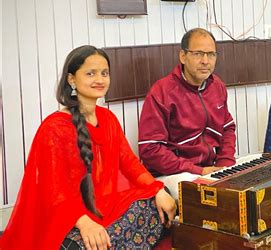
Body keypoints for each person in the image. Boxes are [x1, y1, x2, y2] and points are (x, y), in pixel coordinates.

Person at [0, 45, 176, 249]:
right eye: (90, 73)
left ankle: (108, 241)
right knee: (78, 244)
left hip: (105, 206)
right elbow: (54, 191)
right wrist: (83, 222)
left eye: (104, 73)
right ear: (72, 79)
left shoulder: (108, 118)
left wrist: (157, 190)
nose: (100, 80)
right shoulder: (55, 127)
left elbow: (129, 163)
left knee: (162, 200)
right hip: (67, 215)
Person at [138, 28, 236, 199]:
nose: (206, 61)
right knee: (214, 197)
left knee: (251, 177)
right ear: (183, 56)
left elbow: (228, 128)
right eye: (198, 53)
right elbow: (150, 149)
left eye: (211, 54)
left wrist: (225, 166)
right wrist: (198, 170)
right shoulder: (161, 92)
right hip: (174, 174)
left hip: (210, 168)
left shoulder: (217, 86)